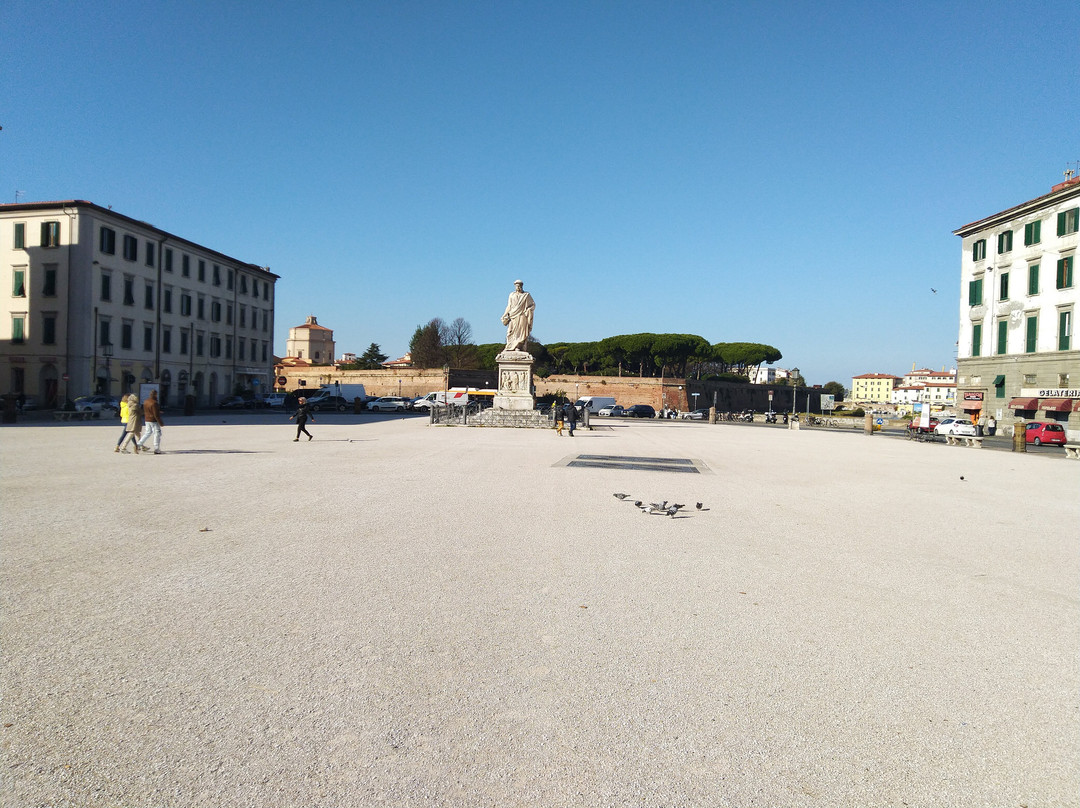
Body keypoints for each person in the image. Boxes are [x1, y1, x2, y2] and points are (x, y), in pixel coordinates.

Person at [501, 279, 535, 353]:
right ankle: (511, 346)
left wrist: (528, 310)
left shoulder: (526, 295)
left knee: (521, 333)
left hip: (522, 315)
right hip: (513, 316)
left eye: (519, 286)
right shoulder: (511, 295)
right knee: (510, 332)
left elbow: (533, 305)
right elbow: (509, 306)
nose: (518, 288)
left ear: (522, 286)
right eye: (517, 286)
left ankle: (518, 346)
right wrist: (504, 314)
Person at [136, 390, 163, 454]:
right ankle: (156, 449)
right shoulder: (154, 403)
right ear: (155, 395)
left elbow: (147, 410)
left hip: (147, 419)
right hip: (154, 420)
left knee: (147, 432)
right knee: (157, 434)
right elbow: (155, 414)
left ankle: (139, 444)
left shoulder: (146, 401)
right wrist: (160, 422)